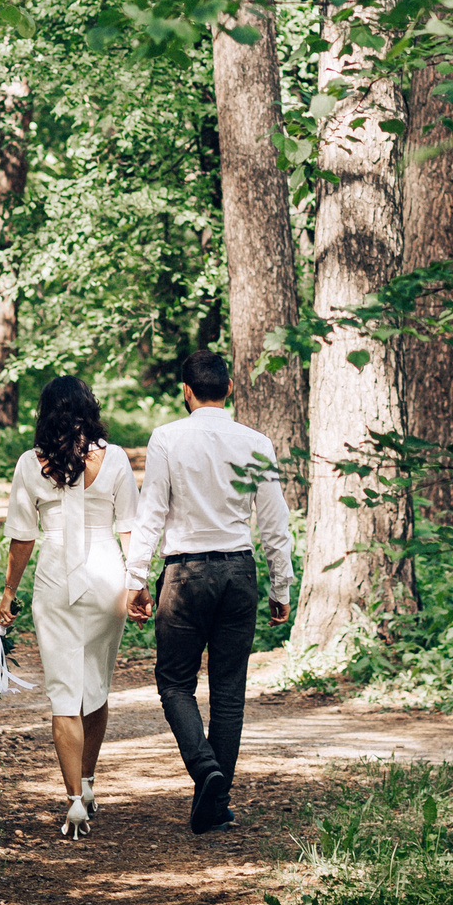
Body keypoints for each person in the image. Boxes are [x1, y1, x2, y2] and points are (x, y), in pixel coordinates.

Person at [123, 349, 293, 835]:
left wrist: (136, 578)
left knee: (175, 682)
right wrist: (280, 586)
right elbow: (275, 521)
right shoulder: (256, 442)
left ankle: (205, 770)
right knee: (228, 691)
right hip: (239, 573)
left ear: (186, 391)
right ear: (231, 389)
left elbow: (151, 511)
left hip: (185, 574)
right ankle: (216, 801)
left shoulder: (168, 439)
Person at [0, 374, 140, 841]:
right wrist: (138, 583)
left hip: (55, 580)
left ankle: (74, 799)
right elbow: (129, 528)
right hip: (106, 577)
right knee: (95, 682)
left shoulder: (29, 463)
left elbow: (23, 536)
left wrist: (9, 592)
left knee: (65, 690)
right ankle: (90, 781)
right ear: (89, 409)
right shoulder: (115, 458)